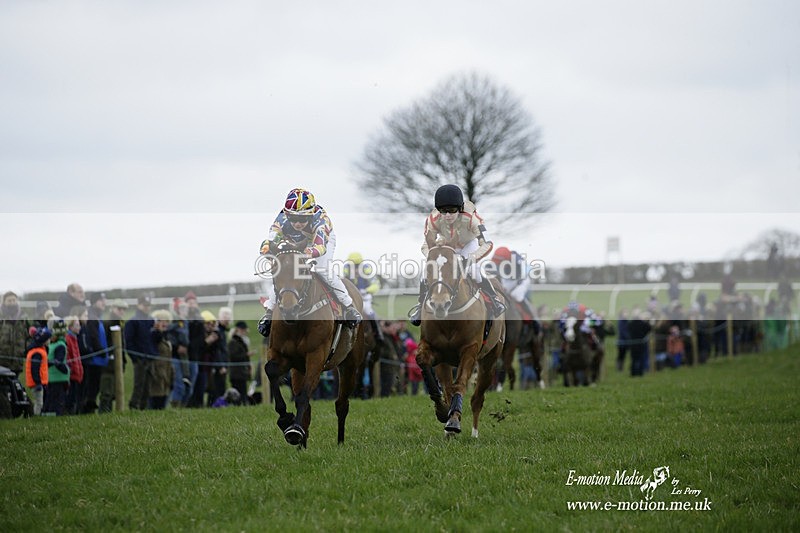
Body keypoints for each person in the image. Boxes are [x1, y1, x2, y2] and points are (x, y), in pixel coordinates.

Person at [257, 187, 362, 337]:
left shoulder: (320, 220)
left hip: (320, 241)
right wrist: (273, 255)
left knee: (321, 268)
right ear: (287, 215)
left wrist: (303, 256)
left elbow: (319, 247)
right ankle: (269, 312)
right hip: (294, 241)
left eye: (302, 219)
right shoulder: (281, 219)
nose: (297, 223)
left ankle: (349, 306)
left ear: (311, 214)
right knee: (283, 271)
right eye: (293, 219)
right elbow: (267, 244)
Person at [409, 184, 505, 326]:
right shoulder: (433, 219)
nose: (447, 215)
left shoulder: (473, 219)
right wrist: (434, 256)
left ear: (460, 209)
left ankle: (494, 301)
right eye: (443, 210)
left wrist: (471, 258)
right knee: (425, 273)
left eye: (452, 210)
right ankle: (420, 306)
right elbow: (425, 245)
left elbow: (487, 244)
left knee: (475, 271)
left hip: (469, 245)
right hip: (448, 247)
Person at [343, 252, 383, 343]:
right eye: (353, 266)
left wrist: (367, 290)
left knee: (369, 311)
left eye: (357, 266)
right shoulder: (345, 270)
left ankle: (378, 333)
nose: (355, 269)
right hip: (350, 298)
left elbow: (376, 285)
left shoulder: (367, 270)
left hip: (365, 297)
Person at [124, 295, 155, 410]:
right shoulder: (133, 322)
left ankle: (144, 407)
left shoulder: (151, 320)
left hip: (149, 358)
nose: (147, 308)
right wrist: (136, 358)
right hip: (140, 359)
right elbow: (129, 342)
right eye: (144, 305)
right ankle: (134, 406)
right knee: (139, 385)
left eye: (148, 305)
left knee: (148, 386)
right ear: (139, 305)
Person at [490, 246, 536, 319]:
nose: (498, 265)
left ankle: (533, 318)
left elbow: (522, 276)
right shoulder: (500, 260)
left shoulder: (517, 261)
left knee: (517, 296)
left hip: (522, 279)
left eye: (499, 263)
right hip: (508, 279)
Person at [82, 292, 109, 413]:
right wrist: (102, 351)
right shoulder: (92, 317)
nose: (104, 302)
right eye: (101, 300)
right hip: (94, 360)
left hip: (98, 359)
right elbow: (94, 338)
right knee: (91, 387)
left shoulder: (97, 315)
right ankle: (87, 410)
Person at [100, 298, 128, 412]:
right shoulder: (107, 324)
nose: (121, 311)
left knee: (114, 392)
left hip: (118, 361)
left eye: (123, 309)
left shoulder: (121, 323)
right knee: (106, 391)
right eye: (119, 309)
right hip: (108, 364)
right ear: (112, 309)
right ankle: (104, 413)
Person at [148, 310, 174, 409]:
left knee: (162, 402)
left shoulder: (166, 337)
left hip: (166, 373)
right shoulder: (153, 335)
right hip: (156, 372)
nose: (164, 324)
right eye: (161, 321)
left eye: (167, 321)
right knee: (153, 402)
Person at [0, 290, 30, 376]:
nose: (12, 303)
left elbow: (30, 336)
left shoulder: (24, 318)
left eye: (14, 300)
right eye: (9, 301)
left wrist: (25, 349)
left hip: (18, 361)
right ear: (4, 302)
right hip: (2, 361)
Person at [44, 318, 70, 415]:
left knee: (53, 400)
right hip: (55, 378)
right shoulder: (57, 345)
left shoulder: (56, 345)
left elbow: (56, 361)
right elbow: (56, 361)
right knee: (54, 400)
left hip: (54, 378)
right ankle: (51, 416)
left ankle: (52, 415)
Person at [25, 327, 51, 415]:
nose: (49, 341)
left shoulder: (40, 350)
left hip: (40, 382)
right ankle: (35, 417)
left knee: (40, 401)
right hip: (36, 383)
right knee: (39, 402)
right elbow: (34, 369)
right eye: (48, 339)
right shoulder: (37, 353)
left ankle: (37, 415)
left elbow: (43, 365)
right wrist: (38, 382)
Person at [227, 321, 252, 404]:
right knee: (238, 395)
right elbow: (233, 357)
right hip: (236, 373)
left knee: (243, 393)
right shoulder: (233, 342)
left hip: (241, 373)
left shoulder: (240, 342)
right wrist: (246, 355)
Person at [64, 315, 84, 415]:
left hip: (76, 374)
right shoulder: (68, 339)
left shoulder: (74, 338)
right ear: (70, 327)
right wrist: (72, 370)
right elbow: (69, 357)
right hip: (72, 375)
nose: (79, 327)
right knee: (70, 398)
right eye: (77, 325)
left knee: (75, 397)